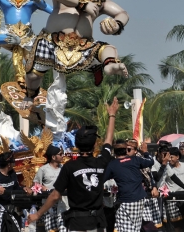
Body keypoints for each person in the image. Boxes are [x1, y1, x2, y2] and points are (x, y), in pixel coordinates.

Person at [24, 0, 129, 106]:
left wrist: (116, 24)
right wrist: (81, 4)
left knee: (106, 48)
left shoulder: (100, 2)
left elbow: (123, 13)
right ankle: (30, 95)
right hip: (52, 42)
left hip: (82, 47)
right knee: (33, 76)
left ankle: (110, 65)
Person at [28, 96, 118, 231]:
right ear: (94, 144)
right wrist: (112, 115)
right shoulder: (101, 161)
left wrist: (38, 214)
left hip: (77, 223)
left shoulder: (70, 166)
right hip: (98, 223)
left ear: (76, 145)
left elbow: (55, 195)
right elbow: (108, 142)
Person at [103, 139, 154, 232]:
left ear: (114, 151)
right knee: (135, 228)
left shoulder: (112, 165)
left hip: (126, 201)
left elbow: (101, 180)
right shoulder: (135, 160)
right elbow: (151, 161)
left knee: (125, 229)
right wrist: (146, 151)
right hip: (140, 199)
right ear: (126, 150)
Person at [0, 152, 32, 232]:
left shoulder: (12, 173)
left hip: (11, 209)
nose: (15, 163)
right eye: (13, 161)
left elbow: (16, 188)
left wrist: (24, 189)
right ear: (9, 164)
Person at [125, 138, 162, 230]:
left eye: (129, 149)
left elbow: (149, 173)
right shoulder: (123, 159)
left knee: (148, 223)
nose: (127, 151)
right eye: (126, 148)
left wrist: (154, 186)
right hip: (130, 195)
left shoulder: (139, 158)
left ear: (135, 150)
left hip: (145, 193)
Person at [162, 147, 184, 232]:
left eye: (171, 157)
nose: (169, 159)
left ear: (177, 157)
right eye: (168, 157)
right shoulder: (167, 168)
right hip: (172, 199)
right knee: (176, 225)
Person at [33, 145, 66, 232]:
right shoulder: (43, 169)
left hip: (62, 204)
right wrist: (42, 187)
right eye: (60, 154)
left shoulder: (64, 169)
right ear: (53, 157)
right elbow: (36, 184)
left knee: (63, 229)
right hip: (49, 206)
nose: (63, 156)